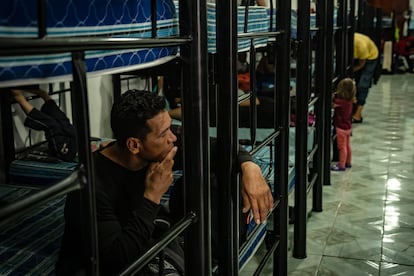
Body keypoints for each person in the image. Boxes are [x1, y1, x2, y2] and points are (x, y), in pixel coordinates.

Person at [56, 90, 273, 275]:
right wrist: (152, 196)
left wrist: (250, 168)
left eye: (171, 127)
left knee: (220, 179)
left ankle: (213, 256)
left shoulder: (161, 149)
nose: (173, 138)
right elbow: (118, 261)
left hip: (147, 231)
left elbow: (218, 148)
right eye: (164, 134)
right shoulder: (90, 185)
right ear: (134, 145)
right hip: (110, 259)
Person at [11, 88, 77, 162]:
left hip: (67, 154)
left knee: (52, 126)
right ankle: (44, 95)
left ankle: (19, 98)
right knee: (63, 120)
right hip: (75, 143)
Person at [352, 32, 379, 123]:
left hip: (370, 57)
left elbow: (361, 64)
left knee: (363, 84)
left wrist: (351, 71)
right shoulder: (341, 41)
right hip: (357, 57)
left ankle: (357, 114)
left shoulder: (361, 46)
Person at [331, 78, 356, 171]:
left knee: (342, 147)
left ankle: (341, 165)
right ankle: (348, 162)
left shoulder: (340, 102)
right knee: (348, 145)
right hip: (348, 126)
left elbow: (332, 105)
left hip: (340, 127)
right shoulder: (350, 101)